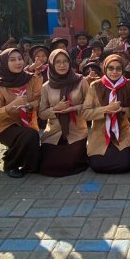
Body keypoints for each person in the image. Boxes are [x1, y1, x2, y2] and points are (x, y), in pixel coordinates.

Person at [0, 48, 42, 178]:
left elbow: (40, 99)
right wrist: (11, 106)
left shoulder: (32, 79)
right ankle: (10, 163)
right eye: (12, 60)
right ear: (4, 63)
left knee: (32, 139)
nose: (17, 62)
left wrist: (30, 105)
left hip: (29, 122)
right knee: (29, 135)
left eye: (19, 58)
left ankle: (26, 162)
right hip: (6, 127)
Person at [38, 49, 89, 177]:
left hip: (76, 131)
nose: (62, 65)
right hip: (54, 132)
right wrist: (56, 108)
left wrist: (74, 108)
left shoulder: (81, 81)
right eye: (58, 62)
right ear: (51, 65)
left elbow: (90, 106)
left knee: (69, 162)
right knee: (48, 165)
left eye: (65, 61)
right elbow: (42, 113)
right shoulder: (46, 87)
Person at [83, 54, 130, 173]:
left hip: (121, 133)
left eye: (118, 68)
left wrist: (121, 110)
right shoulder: (95, 86)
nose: (114, 72)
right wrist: (105, 109)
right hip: (100, 133)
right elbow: (85, 113)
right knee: (97, 166)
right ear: (105, 69)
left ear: (122, 69)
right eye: (111, 68)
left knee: (125, 165)